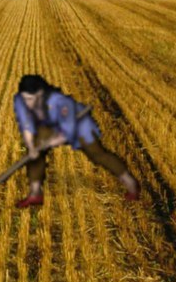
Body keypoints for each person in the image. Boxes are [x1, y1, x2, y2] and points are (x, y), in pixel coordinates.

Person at [12, 74, 140, 208]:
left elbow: (68, 132)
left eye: (31, 99)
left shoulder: (60, 102)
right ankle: (35, 193)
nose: (27, 103)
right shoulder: (20, 100)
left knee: (98, 154)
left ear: (40, 93)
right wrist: (32, 148)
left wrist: (48, 143)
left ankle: (131, 184)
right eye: (25, 98)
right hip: (51, 125)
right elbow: (26, 125)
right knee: (35, 150)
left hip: (78, 125)